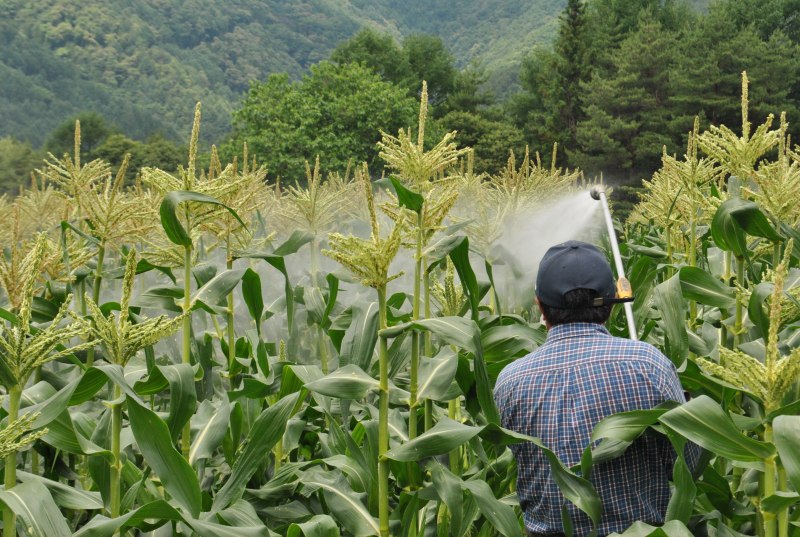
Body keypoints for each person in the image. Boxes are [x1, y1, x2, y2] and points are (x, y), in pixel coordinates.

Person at [494, 240, 698, 537]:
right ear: (612, 303)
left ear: (540, 306)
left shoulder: (510, 381)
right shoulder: (648, 364)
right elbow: (686, 465)